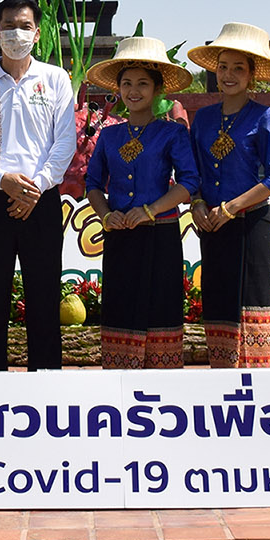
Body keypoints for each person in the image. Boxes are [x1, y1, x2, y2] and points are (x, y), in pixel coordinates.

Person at [0, 0, 79, 371]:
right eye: (9, 26)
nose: (16, 33)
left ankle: (46, 385)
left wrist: (35, 187)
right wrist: (1, 179)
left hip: (42, 200)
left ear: (37, 33)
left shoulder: (55, 78)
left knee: (43, 298)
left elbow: (65, 142)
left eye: (25, 26)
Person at [83, 36, 197, 369]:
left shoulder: (172, 133)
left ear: (158, 89)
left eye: (143, 84)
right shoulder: (109, 135)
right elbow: (92, 185)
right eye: (127, 83)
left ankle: (163, 391)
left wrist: (149, 210)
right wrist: (107, 217)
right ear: (117, 89)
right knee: (120, 307)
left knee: (161, 307)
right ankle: (119, 387)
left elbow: (189, 183)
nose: (134, 91)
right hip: (120, 236)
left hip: (160, 234)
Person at [187, 23, 270, 368]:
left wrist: (232, 206)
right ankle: (221, 374)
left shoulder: (264, 115)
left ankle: (258, 380)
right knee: (217, 296)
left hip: (250, 221)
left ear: (251, 75)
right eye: (223, 67)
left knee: (252, 299)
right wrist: (197, 202)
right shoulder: (201, 119)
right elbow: (193, 173)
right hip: (211, 223)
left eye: (238, 68)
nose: (229, 75)